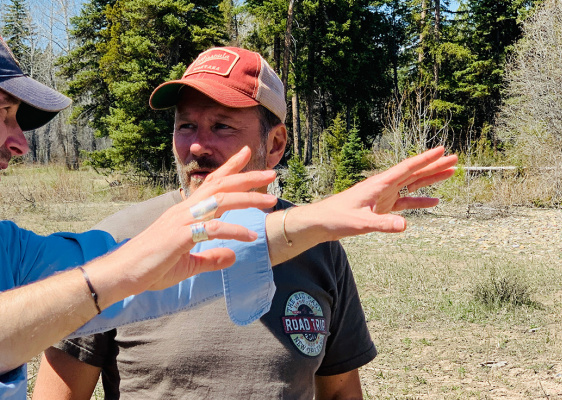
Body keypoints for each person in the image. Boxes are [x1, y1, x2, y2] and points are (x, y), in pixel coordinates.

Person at [0, 11, 457, 400]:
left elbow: (157, 271)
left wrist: (317, 218)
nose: (20, 145)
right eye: (5, 115)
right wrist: (105, 282)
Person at [35, 47, 373, 400]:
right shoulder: (115, 242)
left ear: (275, 144)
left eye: (221, 126)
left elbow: (340, 392)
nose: (196, 146)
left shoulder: (316, 246)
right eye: (186, 126)